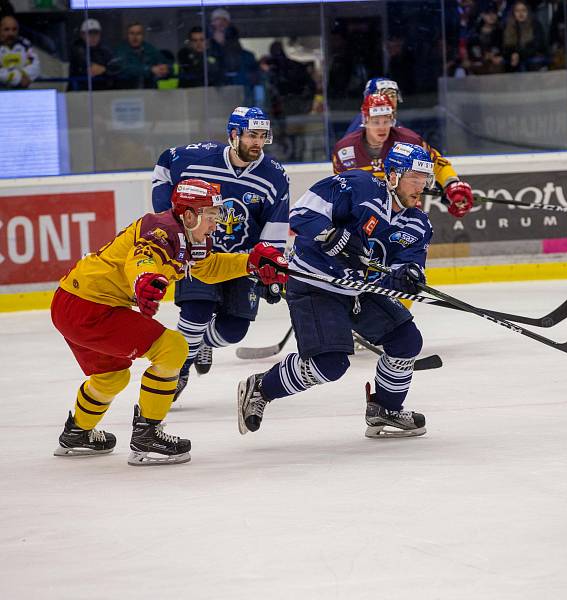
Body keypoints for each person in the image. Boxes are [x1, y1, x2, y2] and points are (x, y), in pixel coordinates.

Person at [51, 179, 286, 465]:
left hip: (72, 302)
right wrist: (144, 278)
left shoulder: (190, 236)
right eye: (211, 215)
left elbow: (208, 269)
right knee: (173, 347)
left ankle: (77, 432)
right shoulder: (162, 230)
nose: (216, 223)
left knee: (111, 376)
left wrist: (249, 262)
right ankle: (147, 435)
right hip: (90, 307)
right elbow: (142, 258)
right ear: (189, 215)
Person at [237, 143, 435, 439]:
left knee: (406, 340)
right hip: (315, 284)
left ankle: (385, 408)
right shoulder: (359, 186)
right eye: (415, 178)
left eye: (425, 180)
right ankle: (261, 388)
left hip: (358, 290)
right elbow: (302, 214)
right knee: (330, 364)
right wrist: (331, 236)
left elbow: (408, 264)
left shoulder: (417, 223)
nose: (421, 187)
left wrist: (407, 277)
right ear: (392, 175)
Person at [152, 107, 290, 400]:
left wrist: (271, 269)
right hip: (199, 254)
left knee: (234, 330)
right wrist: (170, 220)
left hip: (241, 262)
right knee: (195, 313)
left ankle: (202, 345)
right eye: (252, 135)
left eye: (263, 136)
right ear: (233, 134)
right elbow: (164, 165)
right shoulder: (196, 157)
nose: (258, 142)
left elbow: (275, 225)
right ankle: (179, 368)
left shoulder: (274, 176)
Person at [333, 93, 474, 219]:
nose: (382, 127)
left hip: (404, 217)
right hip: (364, 218)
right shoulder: (344, 150)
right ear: (365, 120)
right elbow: (342, 189)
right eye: (376, 121)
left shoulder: (409, 141)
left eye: (386, 120)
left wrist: (452, 184)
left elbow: (438, 164)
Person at [112, 22, 169, 89]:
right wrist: (149, 69)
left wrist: (164, 69)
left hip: (148, 92)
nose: (135, 37)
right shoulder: (120, 50)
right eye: (132, 33)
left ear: (143, 35)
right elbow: (124, 69)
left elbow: (165, 63)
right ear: (127, 35)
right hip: (125, 92)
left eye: (138, 33)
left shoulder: (150, 49)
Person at [68, 18, 116, 91]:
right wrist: (105, 70)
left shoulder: (105, 51)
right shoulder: (77, 49)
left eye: (96, 33)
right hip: (79, 93)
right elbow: (91, 68)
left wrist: (105, 70)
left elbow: (115, 68)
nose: (93, 37)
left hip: (103, 92)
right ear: (82, 34)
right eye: (90, 33)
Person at [0, 14, 39, 89]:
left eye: (14, 29)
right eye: (6, 29)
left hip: (22, 90)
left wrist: (23, 75)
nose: (11, 33)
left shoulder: (26, 45)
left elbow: (35, 65)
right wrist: (17, 78)